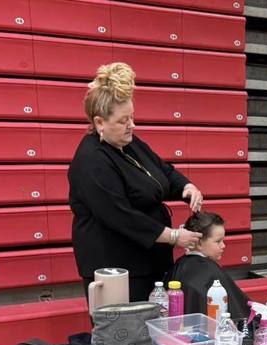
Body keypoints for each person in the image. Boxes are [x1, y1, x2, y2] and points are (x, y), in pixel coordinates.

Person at [69, 62, 206, 302]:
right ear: (100, 123)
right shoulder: (91, 160)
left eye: (132, 117)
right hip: (117, 270)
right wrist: (174, 237)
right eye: (123, 121)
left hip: (149, 261)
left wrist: (186, 187)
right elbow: (121, 216)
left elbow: (162, 170)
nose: (132, 125)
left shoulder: (129, 143)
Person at [166, 211, 251, 320]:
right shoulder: (211, 272)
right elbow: (241, 315)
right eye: (218, 241)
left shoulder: (180, 264)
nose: (223, 246)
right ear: (198, 243)